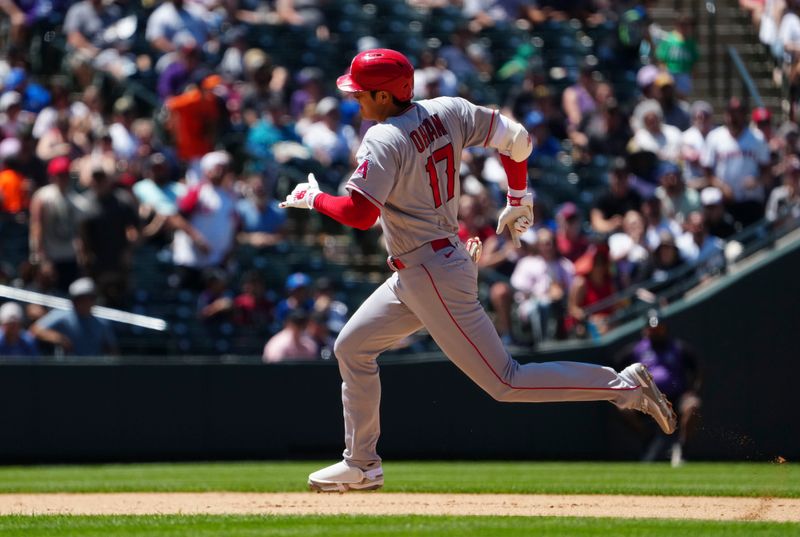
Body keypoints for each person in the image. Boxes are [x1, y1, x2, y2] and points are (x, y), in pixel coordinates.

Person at [279, 48, 677, 492]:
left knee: (507, 381)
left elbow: (358, 214)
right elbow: (519, 139)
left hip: (431, 271)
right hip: (424, 267)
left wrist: (313, 198)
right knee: (352, 348)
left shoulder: (382, 138)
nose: (356, 100)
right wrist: (518, 197)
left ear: (386, 96)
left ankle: (623, 387)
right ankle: (361, 463)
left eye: (362, 93)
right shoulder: (448, 109)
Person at [615, 310, 702, 467]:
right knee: (623, 407)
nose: (656, 332)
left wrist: (693, 390)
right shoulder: (636, 350)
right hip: (646, 399)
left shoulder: (679, 348)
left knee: (692, 404)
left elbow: (697, 370)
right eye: (652, 329)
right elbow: (616, 367)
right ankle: (649, 438)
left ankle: (682, 447)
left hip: (676, 397)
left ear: (665, 329)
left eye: (659, 328)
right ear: (645, 330)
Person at [29, 277, 118, 356]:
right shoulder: (62, 316)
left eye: (89, 298)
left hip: (96, 369)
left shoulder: (102, 322)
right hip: (69, 369)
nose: (86, 302)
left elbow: (111, 349)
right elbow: (35, 330)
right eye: (80, 299)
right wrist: (59, 338)